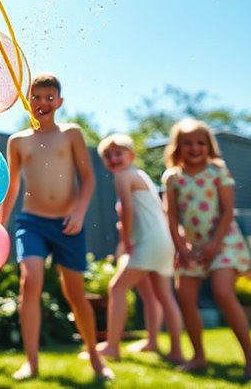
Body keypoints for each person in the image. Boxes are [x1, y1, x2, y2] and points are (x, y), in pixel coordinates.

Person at [0, 73, 113, 381]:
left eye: (49, 97)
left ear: (59, 102)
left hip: (67, 224)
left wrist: (79, 212)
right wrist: (1, 225)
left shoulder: (71, 134)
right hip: (31, 223)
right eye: (36, 97)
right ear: (28, 101)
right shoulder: (18, 141)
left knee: (75, 293)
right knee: (30, 282)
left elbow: (88, 178)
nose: (43, 103)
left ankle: (95, 358)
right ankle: (31, 363)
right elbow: (12, 186)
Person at [162, 119, 251, 379]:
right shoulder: (172, 177)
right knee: (185, 298)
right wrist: (181, 247)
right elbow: (171, 217)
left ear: (209, 146)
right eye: (188, 143)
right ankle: (198, 356)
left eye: (200, 143)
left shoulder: (218, 171)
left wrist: (215, 243)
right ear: (178, 147)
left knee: (223, 292)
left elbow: (228, 211)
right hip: (191, 247)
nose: (195, 148)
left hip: (223, 241)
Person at [95, 134, 184, 364]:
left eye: (118, 154)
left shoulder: (123, 177)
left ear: (131, 155)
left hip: (147, 242)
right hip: (162, 242)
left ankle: (112, 347)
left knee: (117, 289)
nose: (113, 159)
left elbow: (128, 211)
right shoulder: (141, 175)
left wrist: (126, 241)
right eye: (108, 156)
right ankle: (165, 347)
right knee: (159, 296)